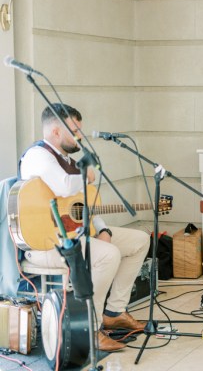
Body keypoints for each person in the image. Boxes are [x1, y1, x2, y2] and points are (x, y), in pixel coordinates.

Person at [19, 104, 150, 352]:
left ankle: (115, 311)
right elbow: (64, 187)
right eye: (75, 129)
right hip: (46, 242)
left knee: (140, 240)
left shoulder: (69, 160)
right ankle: (92, 326)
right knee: (107, 255)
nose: (81, 135)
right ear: (56, 131)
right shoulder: (37, 156)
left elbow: (87, 202)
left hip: (73, 235)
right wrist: (87, 175)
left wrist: (103, 229)